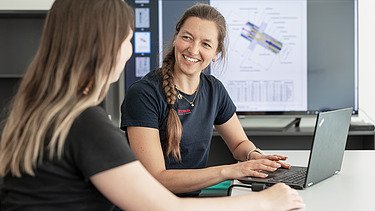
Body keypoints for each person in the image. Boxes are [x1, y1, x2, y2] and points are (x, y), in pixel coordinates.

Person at [0, 0, 304, 210]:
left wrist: (251, 160)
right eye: (128, 39)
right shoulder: (84, 124)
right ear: (105, 47)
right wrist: (266, 201)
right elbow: (165, 206)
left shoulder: (38, 112)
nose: (129, 50)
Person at [121, 3, 293, 197]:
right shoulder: (144, 94)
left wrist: (255, 157)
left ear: (216, 54)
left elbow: (238, 144)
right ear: (176, 38)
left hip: (190, 203)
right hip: (151, 204)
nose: (193, 50)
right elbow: (156, 179)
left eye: (206, 44)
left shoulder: (214, 89)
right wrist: (228, 171)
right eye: (187, 37)